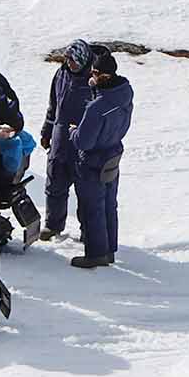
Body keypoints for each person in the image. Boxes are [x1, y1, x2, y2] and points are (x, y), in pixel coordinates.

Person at [70, 51, 134, 269]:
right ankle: (109, 250)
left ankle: (96, 253)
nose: (91, 75)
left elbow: (83, 142)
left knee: (92, 207)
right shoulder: (125, 93)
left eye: (94, 72)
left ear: (102, 75)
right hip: (113, 153)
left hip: (93, 159)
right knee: (109, 204)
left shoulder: (97, 108)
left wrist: (74, 132)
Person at [39, 40, 100, 242]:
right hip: (59, 138)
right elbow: (53, 105)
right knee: (55, 184)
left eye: (72, 60)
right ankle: (53, 225)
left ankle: (87, 230)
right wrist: (47, 131)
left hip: (82, 142)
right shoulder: (61, 74)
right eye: (67, 59)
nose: (68, 63)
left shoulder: (94, 80)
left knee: (85, 190)